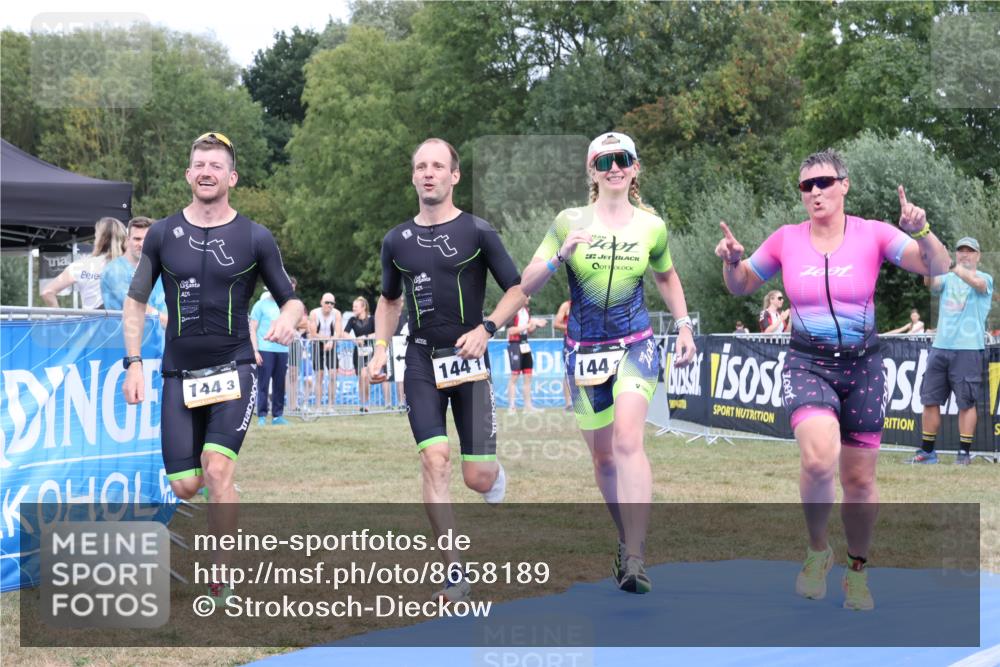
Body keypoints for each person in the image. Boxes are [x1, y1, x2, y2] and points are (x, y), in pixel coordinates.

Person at [715, 148, 950, 610]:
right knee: (819, 458)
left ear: (844, 185)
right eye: (807, 185)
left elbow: (937, 267)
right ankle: (818, 551)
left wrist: (921, 231)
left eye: (824, 182)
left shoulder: (873, 234)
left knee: (859, 481)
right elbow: (742, 284)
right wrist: (731, 262)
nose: (815, 192)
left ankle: (857, 571)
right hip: (808, 364)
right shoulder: (786, 239)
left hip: (864, 369)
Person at [121, 131, 304, 606]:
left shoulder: (254, 236)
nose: (207, 172)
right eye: (199, 164)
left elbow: (291, 299)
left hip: (234, 367)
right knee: (185, 485)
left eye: (216, 165)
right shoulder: (162, 234)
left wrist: (288, 319)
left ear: (232, 177)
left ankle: (221, 575)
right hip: (179, 374)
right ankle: (223, 489)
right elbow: (135, 301)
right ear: (188, 174)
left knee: (217, 466)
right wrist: (133, 363)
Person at [520, 131, 697, 594]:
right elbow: (527, 283)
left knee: (627, 440)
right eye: (604, 161)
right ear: (592, 170)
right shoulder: (568, 221)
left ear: (635, 168)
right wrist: (559, 257)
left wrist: (683, 326)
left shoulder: (651, 226)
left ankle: (636, 554)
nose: (614, 167)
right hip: (583, 351)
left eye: (622, 159)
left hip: (635, 344)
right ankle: (624, 537)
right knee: (602, 459)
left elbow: (667, 276)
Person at [367, 138, 526, 604]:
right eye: (421, 166)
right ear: (413, 177)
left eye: (438, 166)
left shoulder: (478, 232)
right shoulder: (396, 240)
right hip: (419, 359)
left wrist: (487, 328)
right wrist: (381, 349)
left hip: (469, 358)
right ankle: (454, 571)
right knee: (434, 458)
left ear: (454, 176)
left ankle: (492, 475)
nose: (429, 173)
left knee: (477, 478)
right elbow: (389, 301)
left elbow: (518, 290)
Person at [911, 237, 993, 465]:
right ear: (956, 254)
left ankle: (963, 454)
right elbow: (931, 284)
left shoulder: (985, 278)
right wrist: (929, 263)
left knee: (966, 403)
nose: (965, 254)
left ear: (978, 256)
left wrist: (951, 265)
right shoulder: (947, 278)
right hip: (940, 347)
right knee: (930, 400)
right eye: (961, 250)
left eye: (970, 251)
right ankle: (927, 452)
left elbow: (978, 284)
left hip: (968, 349)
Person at [42, 217, 126, 309]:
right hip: (124, 317)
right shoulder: (132, 266)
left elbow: (47, 292)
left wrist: (58, 315)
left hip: (92, 317)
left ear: (99, 239)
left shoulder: (81, 266)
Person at [101, 216, 167, 327]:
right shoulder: (115, 270)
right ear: (127, 240)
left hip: (159, 336)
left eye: (147, 239)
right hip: (126, 336)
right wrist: (173, 325)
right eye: (137, 239)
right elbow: (136, 305)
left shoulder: (157, 267)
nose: (142, 244)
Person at [250, 290, 290, 425]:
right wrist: (255, 351)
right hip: (264, 349)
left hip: (283, 349)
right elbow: (252, 328)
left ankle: (277, 416)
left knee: (280, 384)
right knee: (263, 383)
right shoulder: (260, 305)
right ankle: (261, 415)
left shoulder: (287, 306)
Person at [505, 297, 547, 413]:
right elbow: (511, 331)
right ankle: (512, 407)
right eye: (527, 296)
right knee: (514, 376)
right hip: (514, 345)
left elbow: (529, 331)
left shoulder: (526, 311)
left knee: (528, 376)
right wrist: (530, 324)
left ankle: (528, 406)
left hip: (525, 344)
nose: (529, 298)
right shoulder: (513, 311)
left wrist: (537, 325)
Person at [344, 296, 383, 412]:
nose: (353, 308)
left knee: (365, 375)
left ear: (363, 307)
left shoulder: (372, 319)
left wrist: (365, 337)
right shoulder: (352, 320)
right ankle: (362, 403)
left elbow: (378, 333)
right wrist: (355, 340)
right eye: (353, 306)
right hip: (358, 353)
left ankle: (366, 403)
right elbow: (344, 333)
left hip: (370, 352)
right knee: (361, 378)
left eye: (355, 306)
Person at [308, 293, 342, 409]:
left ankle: (331, 406)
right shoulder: (314, 313)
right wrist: (325, 340)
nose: (329, 305)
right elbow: (313, 333)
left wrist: (331, 341)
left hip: (331, 344)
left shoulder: (336, 313)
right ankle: (318, 407)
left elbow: (338, 332)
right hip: (317, 345)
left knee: (333, 375)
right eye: (327, 302)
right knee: (319, 376)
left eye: (332, 303)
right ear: (321, 302)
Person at [553, 299, 574, 410]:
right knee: (569, 372)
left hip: (584, 342)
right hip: (569, 342)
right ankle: (568, 404)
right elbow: (556, 324)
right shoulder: (566, 305)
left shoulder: (587, 304)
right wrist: (573, 327)